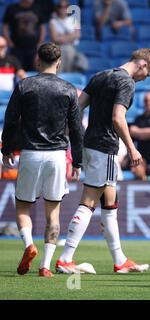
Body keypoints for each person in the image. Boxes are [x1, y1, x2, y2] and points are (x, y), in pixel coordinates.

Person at [56, 48, 150, 274]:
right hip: (105, 146)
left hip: (91, 144)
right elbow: (117, 118)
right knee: (89, 201)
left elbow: (77, 109)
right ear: (142, 64)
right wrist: (132, 148)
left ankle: (120, 260)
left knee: (109, 203)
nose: (146, 78)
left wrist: (68, 139)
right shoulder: (126, 82)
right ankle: (65, 258)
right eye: (148, 73)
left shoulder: (100, 76)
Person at [1, 42, 83, 277]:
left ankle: (29, 245)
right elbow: (77, 129)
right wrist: (77, 161)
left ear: (38, 60)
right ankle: (45, 265)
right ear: (59, 62)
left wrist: (7, 149)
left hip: (31, 154)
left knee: (23, 206)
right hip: (57, 156)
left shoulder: (25, 85)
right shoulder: (68, 89)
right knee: (53, 213)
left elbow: (11, 120)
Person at [2, 0, 46, 71]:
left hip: (33, 47)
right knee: (18, 70)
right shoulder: (12, 9)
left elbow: (42, 27)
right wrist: (8, 41)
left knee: (33, 71)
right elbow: (5, 26)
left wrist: (40, 42)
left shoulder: (37, 8)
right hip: (16, 47)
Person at [49, 0, 87, 73]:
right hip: (58, 48)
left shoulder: (75, 20)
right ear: (57, 8)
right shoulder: (53, 21)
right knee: (64, 51)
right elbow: (55, 39)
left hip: (73, 47)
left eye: (66, 6)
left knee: (69, 51)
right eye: (61, 7)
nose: (63, 9)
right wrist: (71, 36)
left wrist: (62, 37)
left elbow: (78, 35)